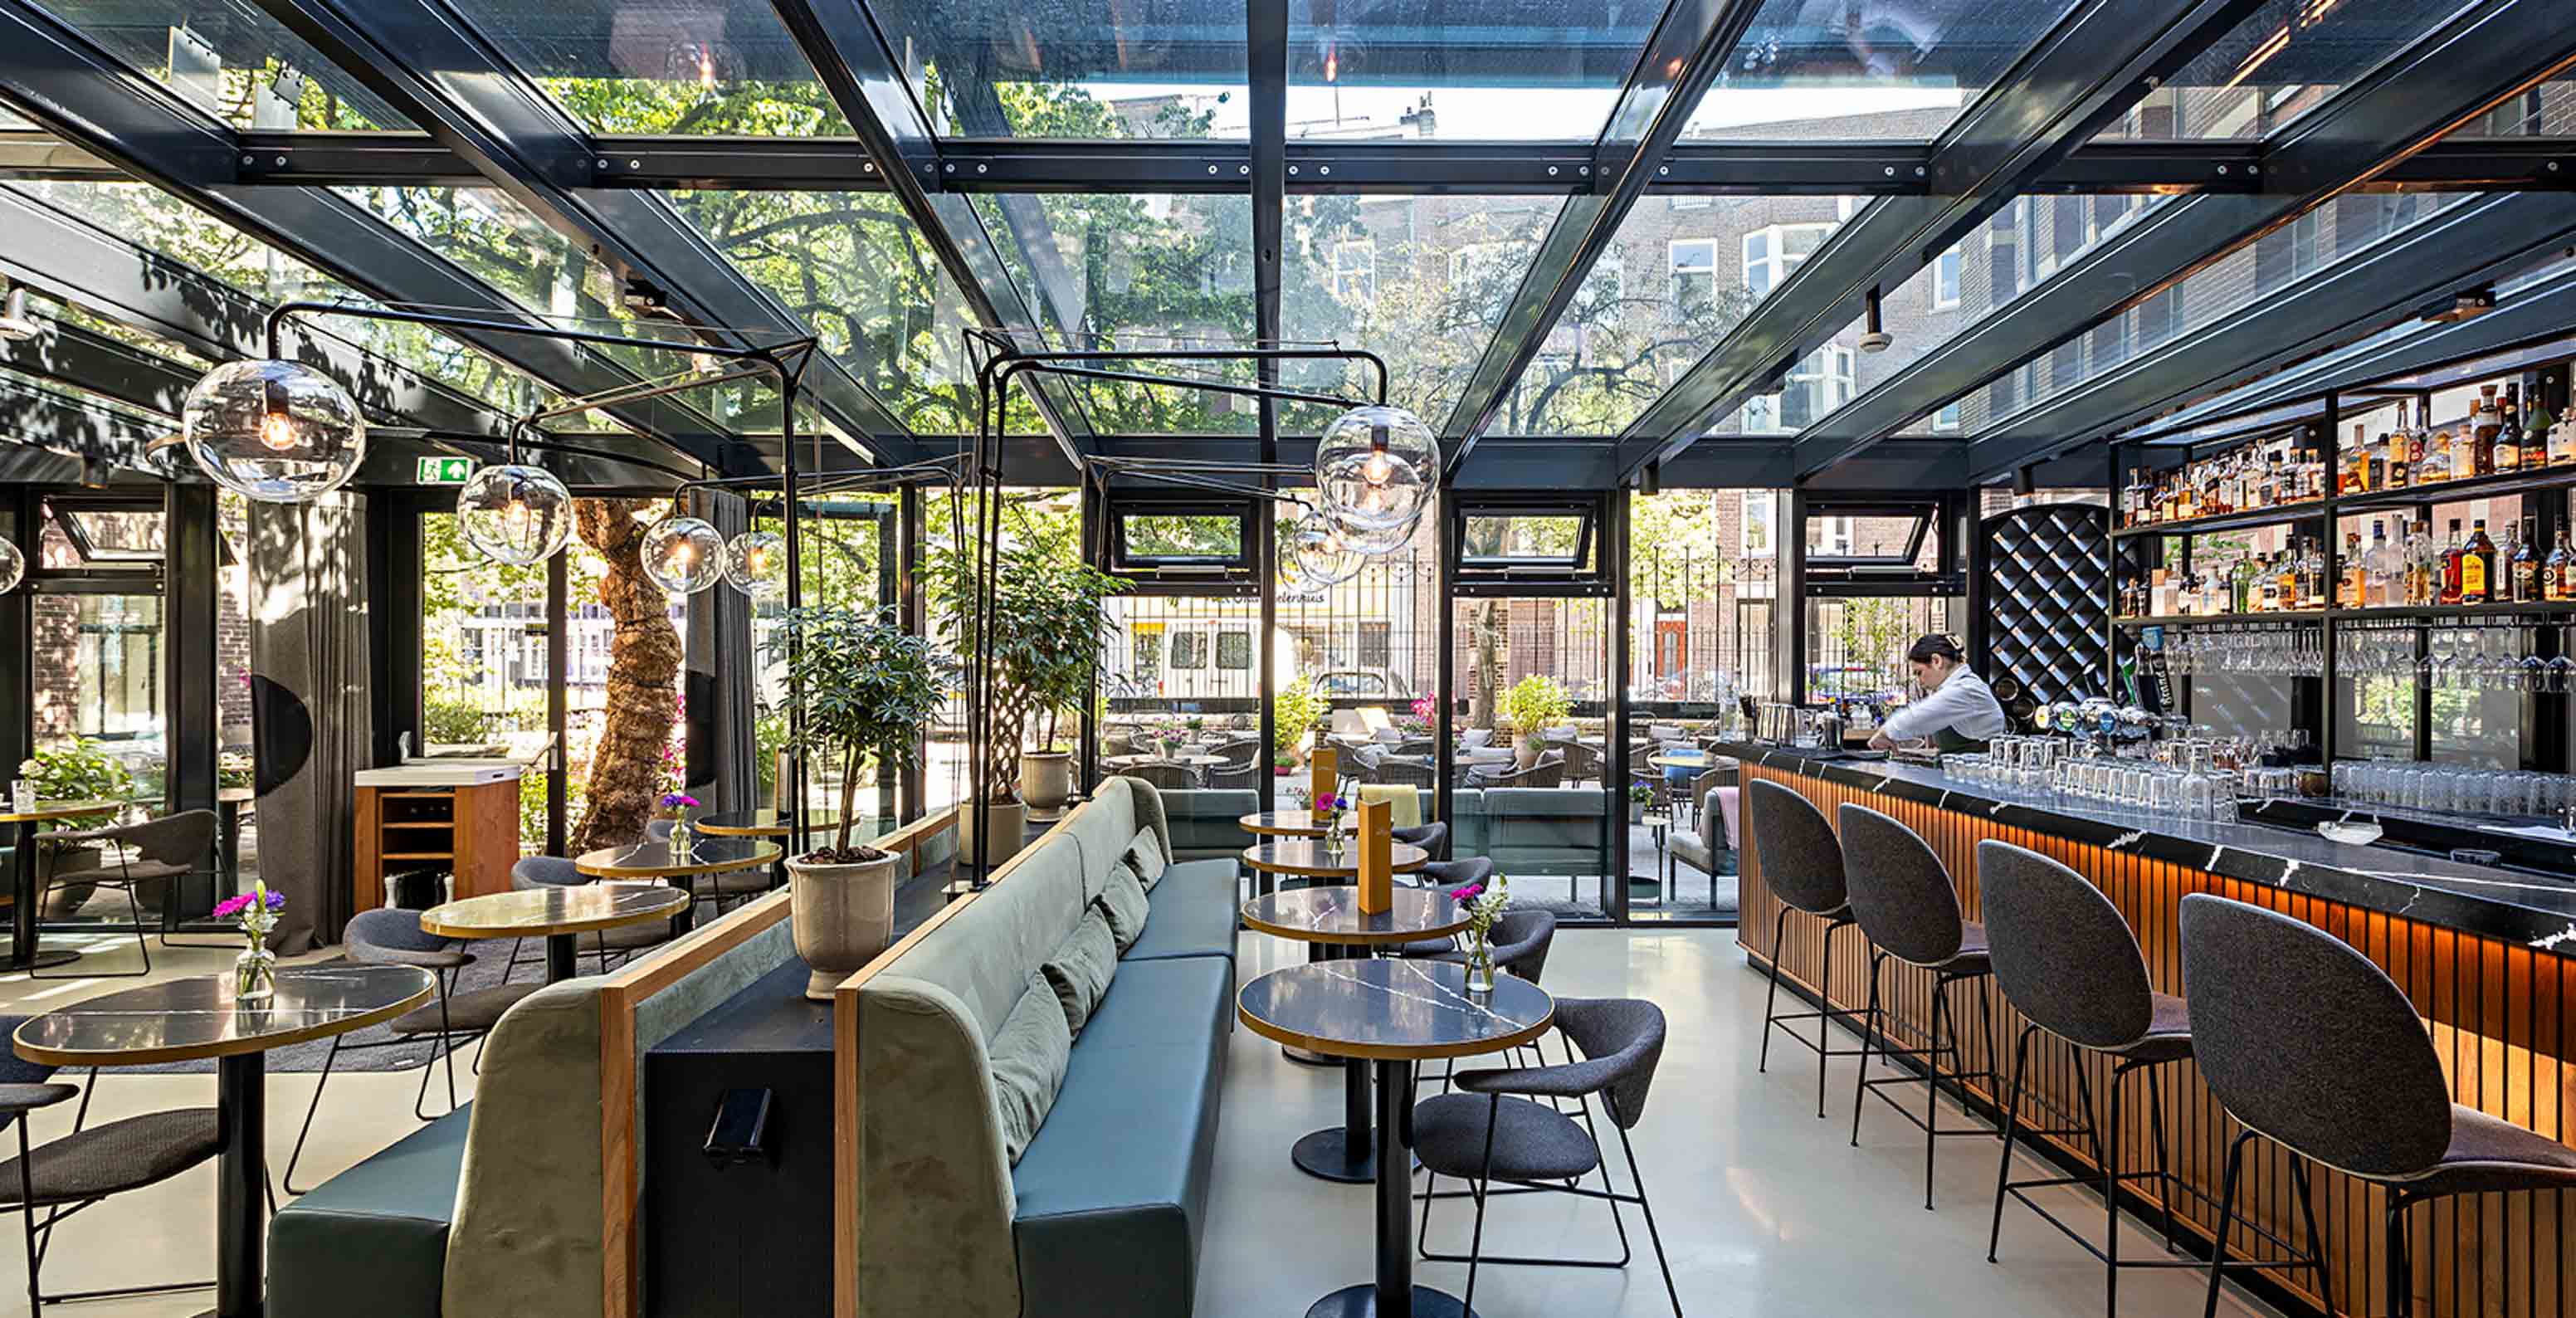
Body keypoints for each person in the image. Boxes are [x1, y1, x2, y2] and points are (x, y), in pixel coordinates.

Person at [1867, 632, 2007, 754]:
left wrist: (1885, 732)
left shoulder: (1967, 689)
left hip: (1977, 772)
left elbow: (1919, 717)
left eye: (1919, 673)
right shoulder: (1954, 688)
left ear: (1936, 661)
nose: (1920, 681)